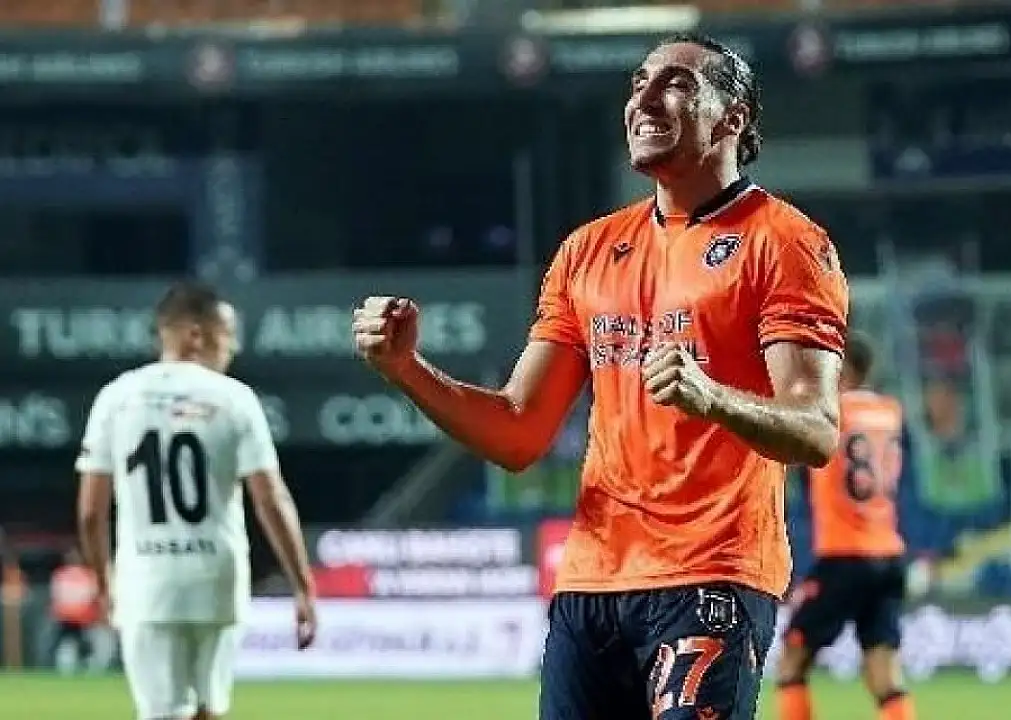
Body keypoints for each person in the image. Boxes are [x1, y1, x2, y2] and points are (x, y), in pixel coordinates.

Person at [354, 32, 849, 720]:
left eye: (676, 84)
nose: (645, 99)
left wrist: (711, 398)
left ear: (731, 119)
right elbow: (519, 433)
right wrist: (406, 369)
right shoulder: (587, 250)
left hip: (713, 573)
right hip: (591, 584)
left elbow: (816, 430)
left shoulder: (785, 242)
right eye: (639, 83)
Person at [76, 281, 317, 720]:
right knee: (209, 710)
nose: (233, 347)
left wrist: (104, 582)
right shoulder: (235, 398)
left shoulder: (116, 398)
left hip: (146, 582)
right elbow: (271, 499)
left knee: (161, 713)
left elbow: (92, 512)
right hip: (217, 578)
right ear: (195, 334)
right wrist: (302, 585)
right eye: (227, 334)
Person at [775, 331, 916, 720]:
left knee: (792, 658)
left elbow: (790, 450)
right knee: (885, 672)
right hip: (888, 554)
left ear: (840, 368)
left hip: (843, 555)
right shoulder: (890, 412)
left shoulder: (831, 412)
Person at [49, 548, 102, 674]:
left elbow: (90, 595)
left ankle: (84, 663)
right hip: (70, 616)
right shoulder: (64, 575)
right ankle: (77, 663)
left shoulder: (85, 574)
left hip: (78, 617)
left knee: (80, 642)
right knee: (66, 642)